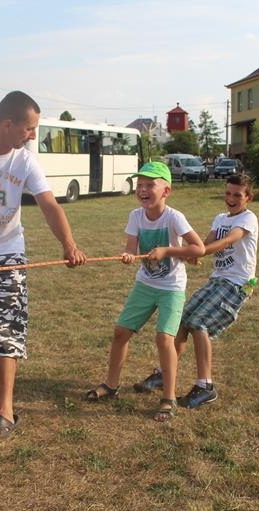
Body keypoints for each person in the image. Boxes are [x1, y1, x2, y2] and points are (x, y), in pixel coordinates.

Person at [0, 90, 87, 442]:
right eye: (29, 128)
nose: (33, 135)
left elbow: (49, 205)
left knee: (4, 329)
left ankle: (5, 410)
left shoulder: (25, 161)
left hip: (6, 253)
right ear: (7, 124)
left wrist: (68, 244)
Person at [85, 161, 205, 422]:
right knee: (121, 332)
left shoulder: (174, 217)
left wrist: (167, 251)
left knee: (164, 339)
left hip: (171, 288)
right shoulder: (136, 216)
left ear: (166, 191)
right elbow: (131, 247)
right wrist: (128, 255)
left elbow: (199, 248)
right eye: (139, 184)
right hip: (145, 284)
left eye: (150, 185)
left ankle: (169, 398)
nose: (142, 189)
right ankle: (111, 385)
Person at [133, 173, 258, 409]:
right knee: (182, 321)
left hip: (237, 284)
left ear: (248, 198)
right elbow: (205, 242)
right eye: (228, 193)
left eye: (237, 195)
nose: (231, 199)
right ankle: (163, 374)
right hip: (217, 280)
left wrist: (196, 251)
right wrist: (190, 253)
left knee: (199, 323)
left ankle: (205, 386)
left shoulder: (248, 218)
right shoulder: (220, 218)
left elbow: (227, 241)